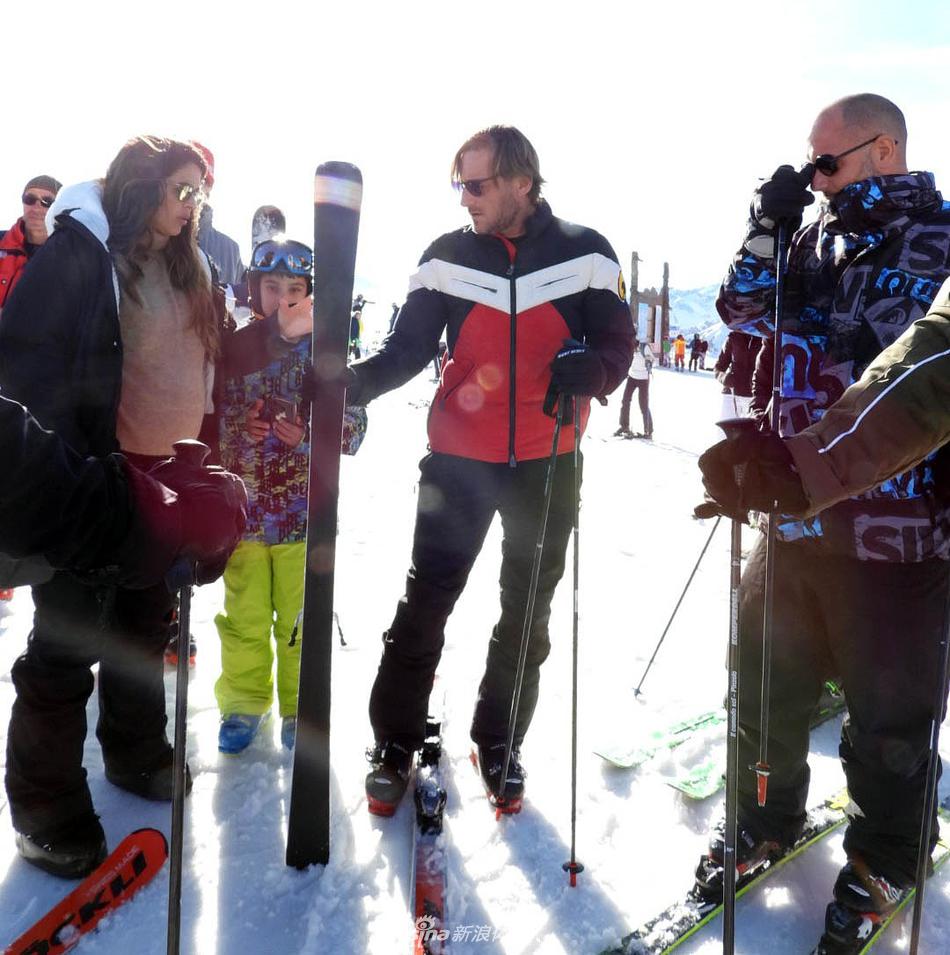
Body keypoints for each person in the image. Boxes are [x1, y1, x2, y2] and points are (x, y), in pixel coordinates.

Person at [693, 93, 950, 954]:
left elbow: (896, 372)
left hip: (894, 529)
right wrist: (767, 226)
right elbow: (738, 311)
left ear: (884, 152)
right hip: (789, 512)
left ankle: (887, 854)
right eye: (807, 167)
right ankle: (767, 815)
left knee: (887, 719)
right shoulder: (813, 236)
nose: (815, 179)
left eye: (826, 164)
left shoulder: (937, 241)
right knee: (765, 679)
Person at [345, 124, 633, 816]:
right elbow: (407, 349)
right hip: (459, 460)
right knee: (426, 603)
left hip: (548, 461)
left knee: (527, 609)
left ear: (520, 184)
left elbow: (619, 347)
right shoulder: (447, 256)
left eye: (475, 185)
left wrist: (591, 369)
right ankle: (393, 741)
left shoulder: (586, 252)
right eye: (459, 185)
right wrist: (349, 384)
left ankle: (499, 737)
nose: (464, 198)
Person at [0, 135, 246, 879]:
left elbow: (212, 361)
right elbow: (28, 366)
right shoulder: (83, 258)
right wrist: (62, 476)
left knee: (145, 631)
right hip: (92, 484)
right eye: (181, 188)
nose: (192, 204)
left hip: (168, 479)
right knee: (67, 645)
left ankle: (136, 752)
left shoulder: (192, 264)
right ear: (141, 186)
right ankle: (46, 811)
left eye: (199, 192)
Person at [213, 238, 366, 754]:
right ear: (254, 289)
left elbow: (354, 430)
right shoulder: (232, 348)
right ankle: (242, 702)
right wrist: (243, 427)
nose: (283, 300)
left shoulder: (326, 353)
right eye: (272, 288)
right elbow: (209, 421)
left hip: (304, 518)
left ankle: (300, 707)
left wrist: (310, 434)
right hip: (245, 518)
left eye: (294, 289)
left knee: (300, 623)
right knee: (244, 621)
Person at [0, 175, 62, 315]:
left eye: (47, 202)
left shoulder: (70, 258)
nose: (36, 208)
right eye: (30, 199)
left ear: (58, 208)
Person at [191, 141, 245, 287]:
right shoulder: (159, 240)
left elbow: (241, 306)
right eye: (185, 184)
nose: (196, 189)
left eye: (203, 181)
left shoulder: (230, 250)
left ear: (210, 186)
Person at [714, 330, 762, 418]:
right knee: (725, 430)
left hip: (755, 398)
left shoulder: (766, 338)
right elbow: (718, 367)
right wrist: (723, 377)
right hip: (731, 396)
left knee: (750, 431)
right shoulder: (734, 337)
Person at [614, 333, 654, 439]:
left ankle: (648, 431)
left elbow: (654, 358)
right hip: (632, 376)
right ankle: (624, 426)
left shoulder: (644, 347)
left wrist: (649, 361)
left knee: (643, 404)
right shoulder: (629, 347)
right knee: (625, 400)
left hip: (643, 378)